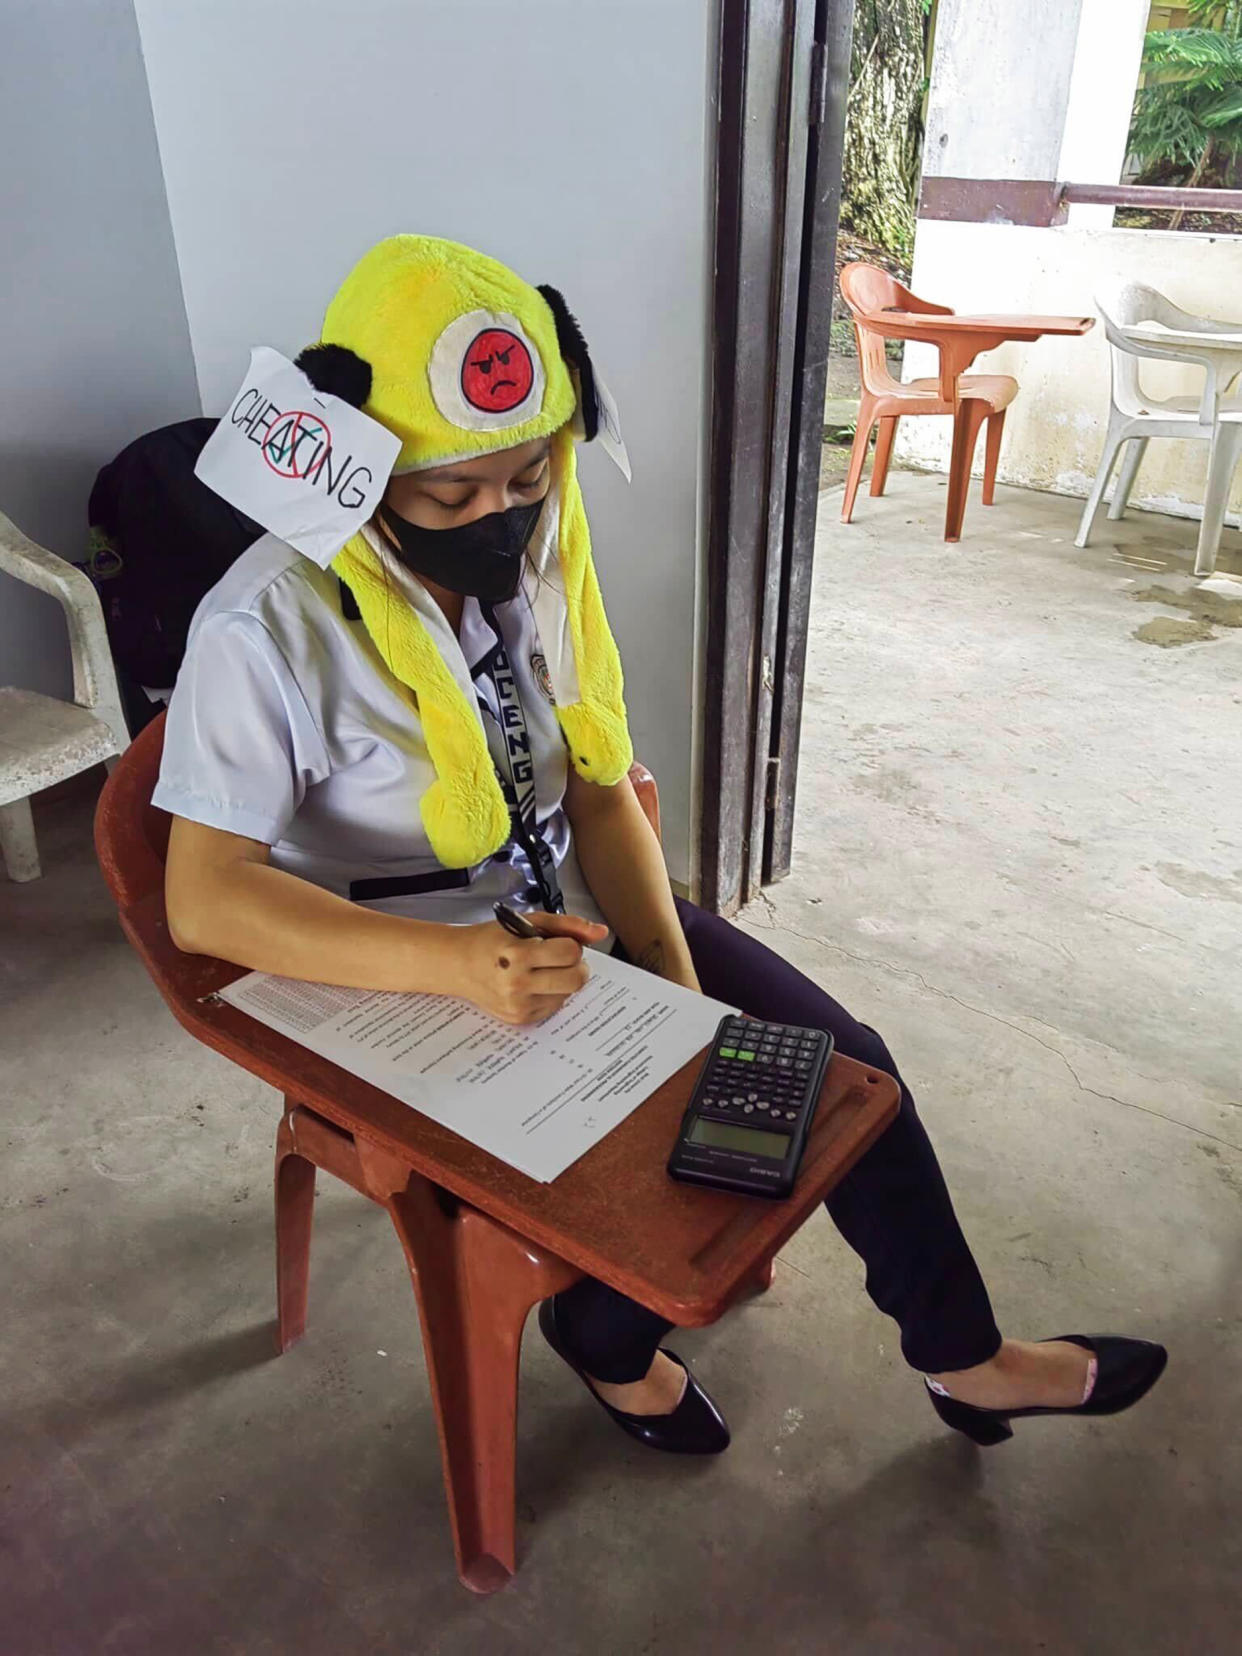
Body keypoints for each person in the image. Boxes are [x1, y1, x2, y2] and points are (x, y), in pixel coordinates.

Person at [157, 234, 1166, 1456]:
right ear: (364, 474)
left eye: (527, 479)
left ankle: (967, 1359)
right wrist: (457, 968)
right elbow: (205, 900)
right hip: (395, 972)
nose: (500, 521)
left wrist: (683, 999)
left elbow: (592, 794)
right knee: (671, 1179)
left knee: (840, 1077)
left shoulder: (538, 570)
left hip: (552, 922)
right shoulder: (263, 629)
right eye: (451, 496)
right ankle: (606, 1340)